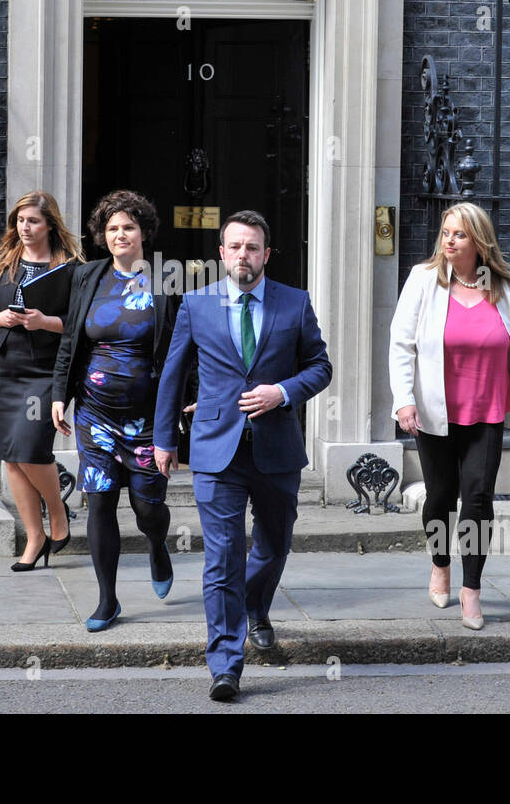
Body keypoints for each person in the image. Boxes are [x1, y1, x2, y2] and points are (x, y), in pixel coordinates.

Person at [153, 210, 331, 702]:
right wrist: (163, 439)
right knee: (222, 556)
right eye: (235, 247)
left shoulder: (294, 304)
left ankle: (255, 607)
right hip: (217, 451)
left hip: (276, 451)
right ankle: (226, 664)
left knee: (273, 546)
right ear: (222, 252)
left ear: (266, 254)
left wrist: (283, 392)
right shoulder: (195, 303)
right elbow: (172, 375)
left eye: (252, 247)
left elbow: (320, 367)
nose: (243, 256)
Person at [389, 201, 510, 631]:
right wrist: (404, 400)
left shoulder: (505, 286)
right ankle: (440, 561)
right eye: (445, 232)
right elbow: (401, 344)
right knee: (441, 498)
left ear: (478, 241)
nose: (449, 240)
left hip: (486, 413)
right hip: (434, 411)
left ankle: (472, 590)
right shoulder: (424, 281)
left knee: (478, 499)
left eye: (458, 234)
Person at [51, 190, 180, 632]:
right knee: (100, 502)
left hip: (146, 418)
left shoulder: (165, 279)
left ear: (143, 232)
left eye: (128, 226)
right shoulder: (88, 276)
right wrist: (58, 395)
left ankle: (157, 543)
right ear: (102, 237)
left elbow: (183, 347)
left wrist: (183, 406)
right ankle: (108, 600)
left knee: (148, 509)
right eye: (112, 228)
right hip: (94, 413)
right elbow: (71, 339)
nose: (120, 234)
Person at [0, 191, 83, 572]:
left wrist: (44, 322)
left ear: (50, 224)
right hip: (5, 365)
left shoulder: (70, 268)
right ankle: (35, 536)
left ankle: (58, 513)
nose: (25, 227)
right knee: (11, 456)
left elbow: (79, 324)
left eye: (33, 220)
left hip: (44, 369)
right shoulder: (4, 262)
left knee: (31, 449)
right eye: (20, 220)